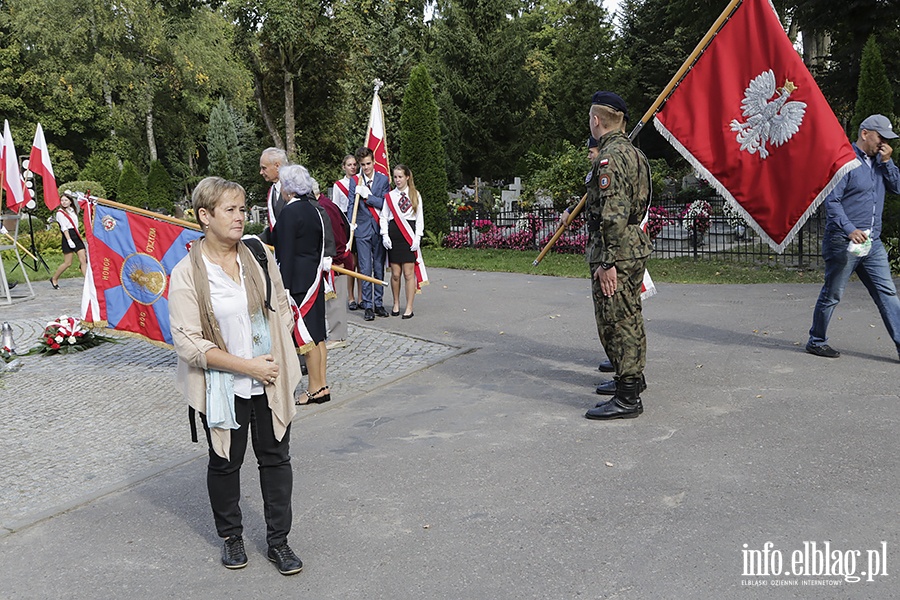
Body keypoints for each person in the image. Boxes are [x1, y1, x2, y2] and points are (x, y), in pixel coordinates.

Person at [169, 176, 303, 576]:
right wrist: (248, 367)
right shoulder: (187, 272)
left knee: (276, 460)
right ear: (204, 216)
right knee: (226, 461)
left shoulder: (259, 254)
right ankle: (232, 538)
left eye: (243, 209)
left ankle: (279, 542)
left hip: (270, 379)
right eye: (230, 210)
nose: (241, 217)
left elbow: (280, 300)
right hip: (223, 385)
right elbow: (189, 344)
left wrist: (282, 339)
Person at [806, 114, 900, 361]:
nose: (883, 143)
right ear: (865, 133)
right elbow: (832, 202)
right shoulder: (844, 160)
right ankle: (816, 341)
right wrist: (850, 229)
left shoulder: (881, 161)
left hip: (873, 243)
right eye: (881, 137)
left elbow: (897, 188)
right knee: (833, 293)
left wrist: (888, 162)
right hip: (844, 241)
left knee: (887, 293)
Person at [583, 91, 652, 421]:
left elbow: (612, 213)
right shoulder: (636, 154)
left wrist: (607, 261)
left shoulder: (609, 158)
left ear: (597, 120)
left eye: (590, 119)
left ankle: (627, 397)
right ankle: (632, 380)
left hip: (618, 252)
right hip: (633, 246)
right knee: (630, 315)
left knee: (617, 320)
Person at [274, 165, 332, 404]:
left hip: (297, 281)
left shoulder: (289, 213)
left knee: (306, 337)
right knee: (318, 335)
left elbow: (285, 253)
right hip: (314, 276)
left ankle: (314, 389)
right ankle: (322, 385)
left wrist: (283, 288)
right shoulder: (313, 209)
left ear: (287, 188)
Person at [560, 136, 615, 377]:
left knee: (611, 310)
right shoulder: (594, 172)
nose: (589, 155)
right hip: (597, 247)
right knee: (604, 310)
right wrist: (571, 211)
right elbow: (591, 201)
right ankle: (616, 358)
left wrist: (608, 259)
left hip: (606, 248)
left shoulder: (608, 167)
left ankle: (624, 368)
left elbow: (610, 209)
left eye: (592, 151)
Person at [347, 147, 390, 321]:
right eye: (363, 165)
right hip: (362, 230)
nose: (366, 168)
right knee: (365, 269)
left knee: (378, 267)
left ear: (374, 162)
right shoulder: (355, 181)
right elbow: (351, 204)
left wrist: (368, 196)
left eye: (368, 164)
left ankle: (378, 303)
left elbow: (386, 204)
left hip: (379, 229)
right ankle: (368, 305)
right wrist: (351, 223)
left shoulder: (383, 180)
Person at [380, 164, 427, 318]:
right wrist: (385, 235)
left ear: (407, 177)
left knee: (408, 274)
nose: (397, 180)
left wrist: (418, 237)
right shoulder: (390, 196)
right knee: (395, 274)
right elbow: (383, 217)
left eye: (400, 177)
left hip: (409, 236)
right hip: (394, 237)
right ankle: (395, 303)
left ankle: (409, 307)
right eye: (395, 177)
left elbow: (419, 218)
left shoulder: (415, 194)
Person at [317, 179, 353, 347]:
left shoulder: (325, 207)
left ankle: (338, 336)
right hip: (330, 258)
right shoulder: (322, 204)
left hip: (336, 260)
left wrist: (338, 259)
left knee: (336, 298)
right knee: (331, 298)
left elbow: (337, 235)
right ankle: (335, 333)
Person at [332, 154, 363, 310]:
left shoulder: (360, 181)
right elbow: (336, 208)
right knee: (351, 263)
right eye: (349, 165)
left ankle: (360, 297)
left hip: (359, 223)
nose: (353, 167)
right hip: (346, 224)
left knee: (361, 263)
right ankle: (350, 297)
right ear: (344, 167)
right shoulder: (339, 185)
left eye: (354, 164)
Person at [49, 193, 87, 289]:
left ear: (70, 201)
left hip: (76, 235)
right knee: (68, 263)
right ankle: (54, 278)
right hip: (68, 236)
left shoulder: (73, 210)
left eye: (66, 200)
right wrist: (69, 240)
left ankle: (88, 281)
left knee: (83, 260)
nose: (64, 202)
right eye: (62, 200)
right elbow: (64, 227)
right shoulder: (60, 213)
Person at [259, 147, 289, 245]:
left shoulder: (296, 188)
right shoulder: (271, 191)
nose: (261, 172)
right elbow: (275, 226)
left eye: (264, 168)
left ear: (277, 166)